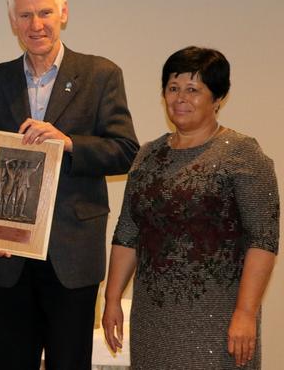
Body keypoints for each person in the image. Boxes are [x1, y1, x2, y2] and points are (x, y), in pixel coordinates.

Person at [0, 0, 139, 369]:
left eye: (44, 12)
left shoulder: (100, 75)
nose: (35, 24)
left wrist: (70, 143)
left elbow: (125, 150)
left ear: (63, 13)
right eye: (24, 15)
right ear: (12, 21)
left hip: (72, 253)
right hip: (8, 255)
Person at [102, 46, 279, 369]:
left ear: (218, 98)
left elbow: (262, 240)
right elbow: (127, 232)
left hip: (219, 321)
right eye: (173, 88)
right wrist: (112, 299)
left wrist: (245, 312)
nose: (180, 98)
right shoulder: (147, 156)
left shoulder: (242, 154)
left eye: (193, 89)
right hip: (152, 321)